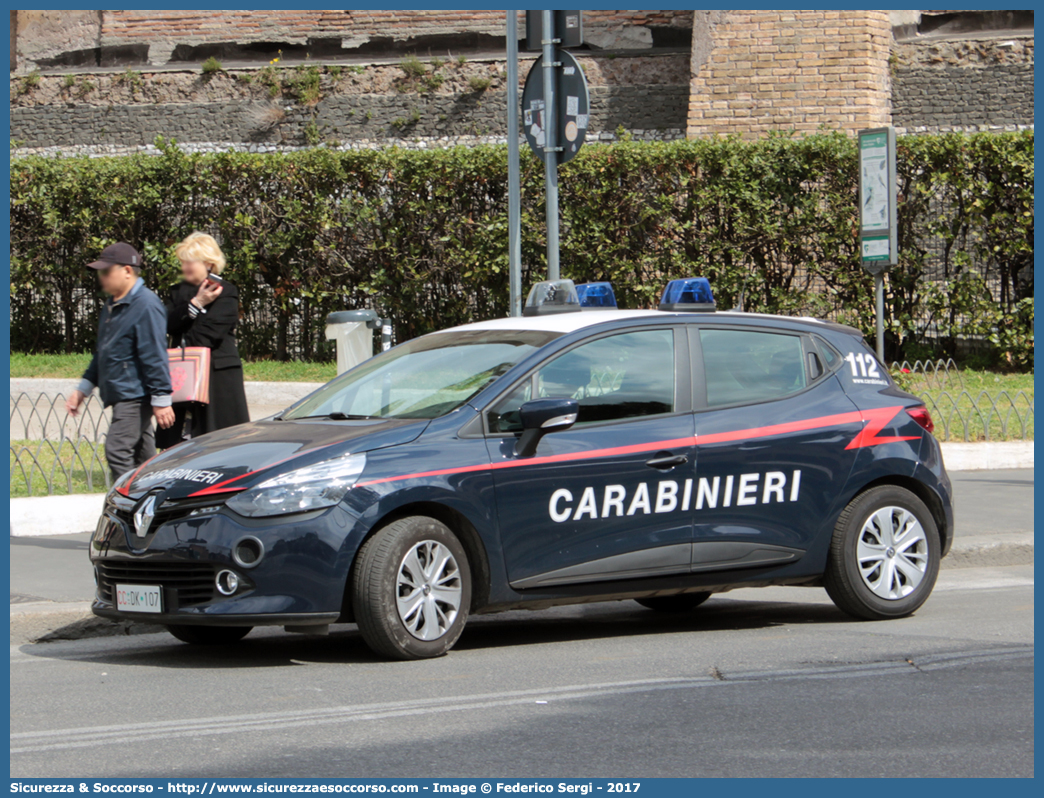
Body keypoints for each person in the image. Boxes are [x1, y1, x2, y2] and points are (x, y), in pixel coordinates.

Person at [66, 242, 175, 481]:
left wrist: (161, 399)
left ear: (127, 271)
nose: (101, 277)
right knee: (143, 455)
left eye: (106, 271)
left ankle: (126, 504)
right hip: (122, 391)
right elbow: (104, 352)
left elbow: (155, 355)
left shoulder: (146, 304)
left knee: (117, 450)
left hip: (135, 394)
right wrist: (83, 388)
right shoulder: (113, 304)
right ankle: (153, 501)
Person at [156, 232, 250, 448]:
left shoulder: (226, 292)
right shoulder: (177, 292)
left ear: (209, 263)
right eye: (183, 261)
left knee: (219, 443)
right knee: (177, 443)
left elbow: (207, 335)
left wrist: (184, 327)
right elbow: (165, 324)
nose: (185, 267)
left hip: (217, 377)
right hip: (182, 373)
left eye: (191, 261)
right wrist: (196, 303)